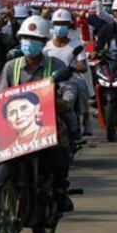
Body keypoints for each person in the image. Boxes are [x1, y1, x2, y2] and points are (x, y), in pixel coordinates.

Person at [0, 15, 74, 212]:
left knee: (60, 142)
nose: (29, 43)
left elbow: (68, 90)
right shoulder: (10, 67)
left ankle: (59, 187)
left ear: (43, 42)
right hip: (15, 123)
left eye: (35, 40)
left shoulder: (55, 66)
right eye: (25, 38)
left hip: (45, 121)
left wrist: (63, 101)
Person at [44, 9, 90, 138]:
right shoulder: (46, 46)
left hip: (71, 78)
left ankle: (85, 118)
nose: (60, 27)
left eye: (63, 23)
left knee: (80, 87)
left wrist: (75, 68)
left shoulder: (76, 44)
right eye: (57, 23)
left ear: (69, 25)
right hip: (51, 80)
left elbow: (83, 64)